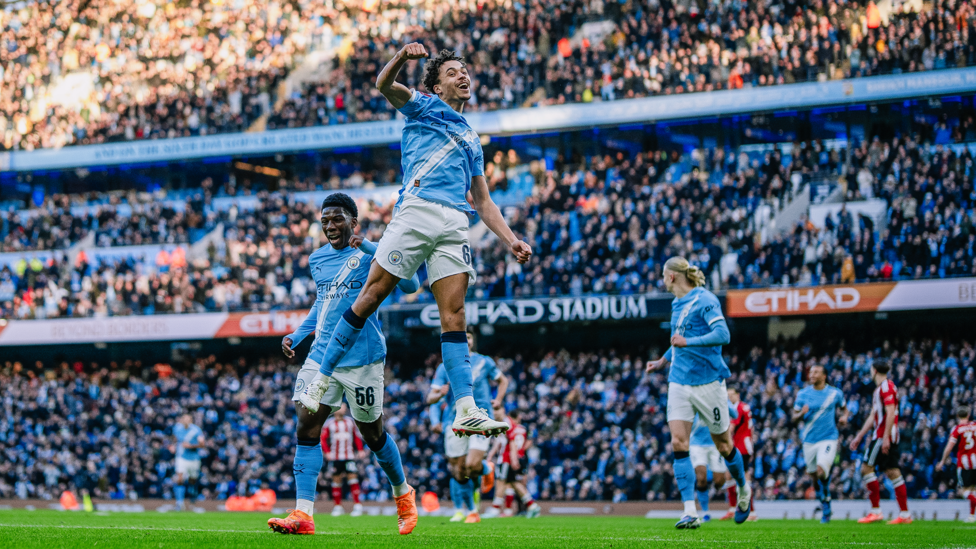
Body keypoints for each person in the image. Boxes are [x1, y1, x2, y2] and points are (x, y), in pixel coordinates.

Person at [298, 43, 532, 439]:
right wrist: (403, 59)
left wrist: (511, 239)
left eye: (464, 70)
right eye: (453, 72)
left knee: (455, 316)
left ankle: (466, 409)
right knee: (371, 296)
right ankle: (320, 377)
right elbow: (383, 83)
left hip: (456, 222)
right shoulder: (423, 106)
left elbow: (484, 200)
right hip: (417, 209)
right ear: (438, 88)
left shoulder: (473, 139)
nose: (463, 75)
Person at [268, 193, 421, 536]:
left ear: (354, 222)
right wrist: (299, 333)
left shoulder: (372, 253)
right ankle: (303, 514)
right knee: (306, 424)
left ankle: (403, 493)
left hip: (362, 360)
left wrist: (368, 247)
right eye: (324, 221)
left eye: (337, 219)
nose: (330, 226)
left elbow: (411, 285)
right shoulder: (317, 259)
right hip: (321, 355)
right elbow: (323, 304)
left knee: (373, 433)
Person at [645, 256, 751, 529]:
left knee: (725, 446)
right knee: (679, 444)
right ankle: (689, 511)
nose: (661, 280)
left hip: (708, 383)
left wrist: (687, 341)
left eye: (662, 275)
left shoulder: (705, 300)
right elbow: (678, 339)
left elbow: (723, 334)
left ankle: (743, 489)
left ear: (671, 276)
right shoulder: (676, 303)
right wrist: (662, 361)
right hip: (679, 381)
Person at [427, 330, 508, 523]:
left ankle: (485, 470)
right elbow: (430, 398)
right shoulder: (444, 366)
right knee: (459, 470)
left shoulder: (484, 362)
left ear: (472, 341)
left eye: (469, 337)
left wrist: (498, 400)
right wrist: (439, 395)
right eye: (463, 336)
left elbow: (503, 380)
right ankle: (471, 510)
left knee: (472, 465)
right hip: (453, 421)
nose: (466, 340)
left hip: (481, 418)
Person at [849, 361, 912, 525]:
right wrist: (860, 436)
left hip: (883, 435)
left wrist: (885, 438)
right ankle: (904, 514)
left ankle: (876, 511)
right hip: (885, 435)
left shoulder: (886, 387)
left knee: (866, 468)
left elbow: (890, 413)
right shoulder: (881, 389)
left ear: (874, 371)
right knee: (892, 471)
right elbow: (873, 416)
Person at [792, 364, 849, 524]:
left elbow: (845, 409)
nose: (812, 374)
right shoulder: (803, 394)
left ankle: (826, 506)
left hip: (828, 438)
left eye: (816, 372)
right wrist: (800, 414)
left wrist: (844, 417)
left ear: (824, 376)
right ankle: (825, 499)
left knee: (821, 471)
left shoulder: (834, 393)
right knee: (815, 478)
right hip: (809, 441)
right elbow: (793, 417)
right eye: (810, 372)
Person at [483, 405, 541, 519]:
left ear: (503, 410)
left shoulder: (507, 423)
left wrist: (513, 458)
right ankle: (529, 506)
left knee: (501, 482)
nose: (494, 413)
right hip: (512, 457)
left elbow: (512, 442)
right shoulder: (512, 425)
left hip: (507, 458)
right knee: (512, 483)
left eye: (496, 409)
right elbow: (501, 440)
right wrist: (491, 454)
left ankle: (496, 508)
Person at [690, 401, 738, 522]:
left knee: (720, 481)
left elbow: (735, 414)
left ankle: (709, 492)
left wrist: (723, 402)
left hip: (715, 444)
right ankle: (705, 512)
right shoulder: (695, 394)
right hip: (697, 444)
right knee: (701, 478)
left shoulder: (719, 395)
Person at [321, 404, 366, 517]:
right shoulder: (329, 423)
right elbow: (323, 439)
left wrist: (360, 450)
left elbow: (356, 436)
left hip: (349, 456)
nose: (344, 408)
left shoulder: (350, 422)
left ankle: (357, 506)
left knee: (353, 479)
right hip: (336, 457)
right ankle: (337, 506)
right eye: (341, 406)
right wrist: (327, 452)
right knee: (336, 481)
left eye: (345, 407)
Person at [936, 405, 976, 523]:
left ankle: (972, 514)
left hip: (964, 463)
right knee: (973, 489)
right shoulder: (974, 426)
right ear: (968, 415)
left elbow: (949, 447)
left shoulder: (957, 429)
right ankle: (972, 515)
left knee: (963, 491)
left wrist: (942, 461)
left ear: (958, 416)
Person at [721, 386, 755, 521]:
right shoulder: (741, 407)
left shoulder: (740, 408)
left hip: (742, 446)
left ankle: (751, 511)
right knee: (729, 476)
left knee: (745, 477)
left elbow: (731, 428)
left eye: (731, 394)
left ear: (738, 394)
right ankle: (732, 508)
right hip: (739, 444)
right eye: (727, 395)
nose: (729, 397)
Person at [172, 413, 204, 512]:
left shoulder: (196, 430)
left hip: (193, 458)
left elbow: (202, 444)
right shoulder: (177, 428)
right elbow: (175, 439)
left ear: (191, 421)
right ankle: (179, 503)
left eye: (188, 419)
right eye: (184, 419)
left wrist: (190, 446)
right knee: (179, 478)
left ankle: (192, 498)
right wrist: (172, 446)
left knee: (192, 480)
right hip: (181, 457)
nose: (186, 421)